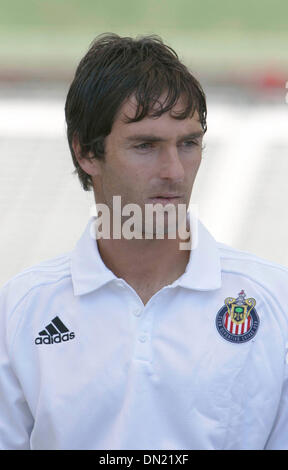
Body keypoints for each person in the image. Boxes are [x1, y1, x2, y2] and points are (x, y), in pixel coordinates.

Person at [0, 32, 287, 451]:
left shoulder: (277, 300)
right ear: (86, 153)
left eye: (188, 144)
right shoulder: (20, 310)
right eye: (146, 145)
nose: (174, 170)